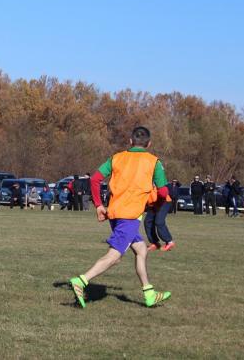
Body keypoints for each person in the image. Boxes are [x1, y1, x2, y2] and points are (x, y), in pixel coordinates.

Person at [69, 126, 171, 309]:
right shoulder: (153, 162)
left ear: (131, 142)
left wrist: (99, 205)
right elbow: (164, 191)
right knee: (114, 257)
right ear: (149, 144)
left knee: (141, 250)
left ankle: (149, 294)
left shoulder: (116, 158)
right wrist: (156, 205)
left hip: (115, 214)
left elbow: (94, 179)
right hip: (129, 217)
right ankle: (82, 281)